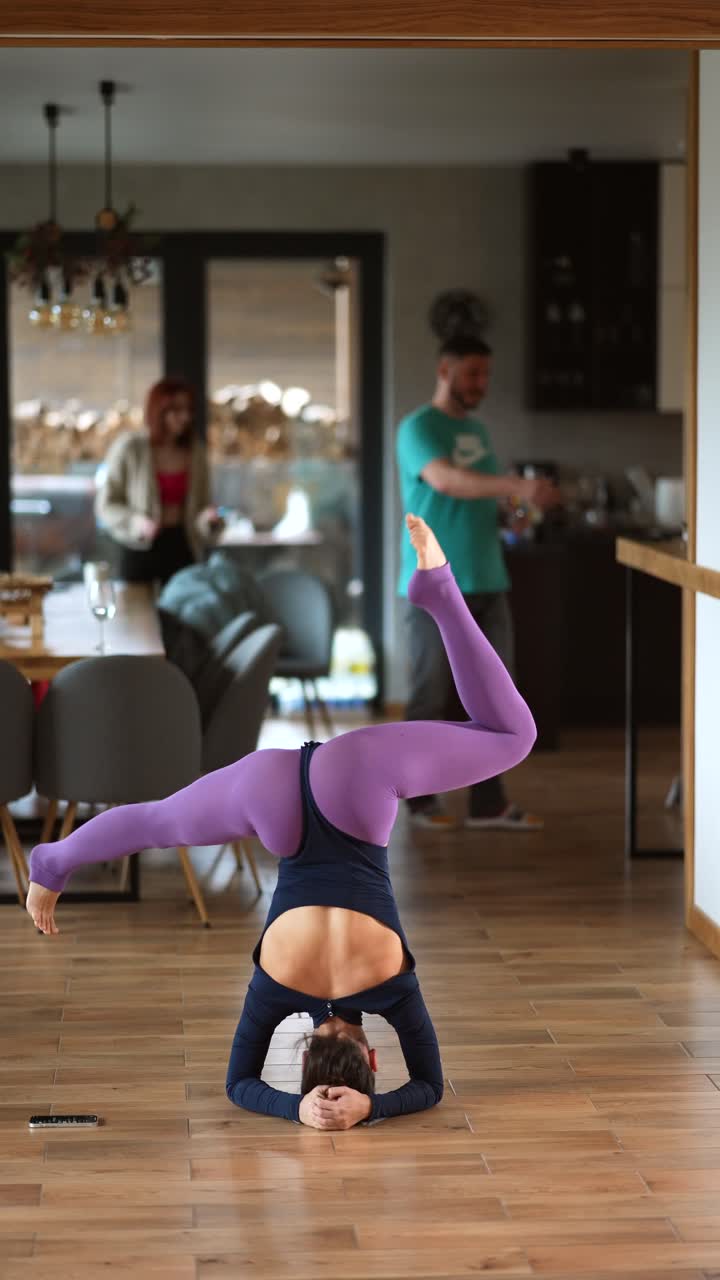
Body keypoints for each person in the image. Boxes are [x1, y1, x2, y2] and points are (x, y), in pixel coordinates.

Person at [26, 516, 536, 1130]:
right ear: (301, 1056)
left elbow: (428, 1086)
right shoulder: (277, 989)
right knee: (159, 820)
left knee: (510, 735)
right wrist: (297, 1109)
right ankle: (52, 861)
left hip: (357, 788)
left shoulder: (392, 990)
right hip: (270, 798)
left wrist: (372, 1107)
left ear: (372, 1054)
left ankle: (439, 591)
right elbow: (239, 1084)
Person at [396, 334, 558, 834]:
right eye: (472, 374)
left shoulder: (480, 433)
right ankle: (417, 800)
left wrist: (517, 514)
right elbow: (446, 481)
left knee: (495, 702)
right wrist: (516, 485)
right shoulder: (417, 428)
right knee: (429, 696)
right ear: (445, 371)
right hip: (435, 587)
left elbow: (480, 501)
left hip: (489, 580)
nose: (481, 384)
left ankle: (488, 803)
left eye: (486, 375)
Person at [95, 376, 223, 586]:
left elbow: (201, 506)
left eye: (188, 410)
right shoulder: (130, 448)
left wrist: (208, 519)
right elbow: (105, 505)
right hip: (141, 547)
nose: (185, 417)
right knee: (138, 613)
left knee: (180, 611)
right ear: (158, 411)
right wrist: (135, 522)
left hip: (183, 545)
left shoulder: (195, 452)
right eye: (177, 410)